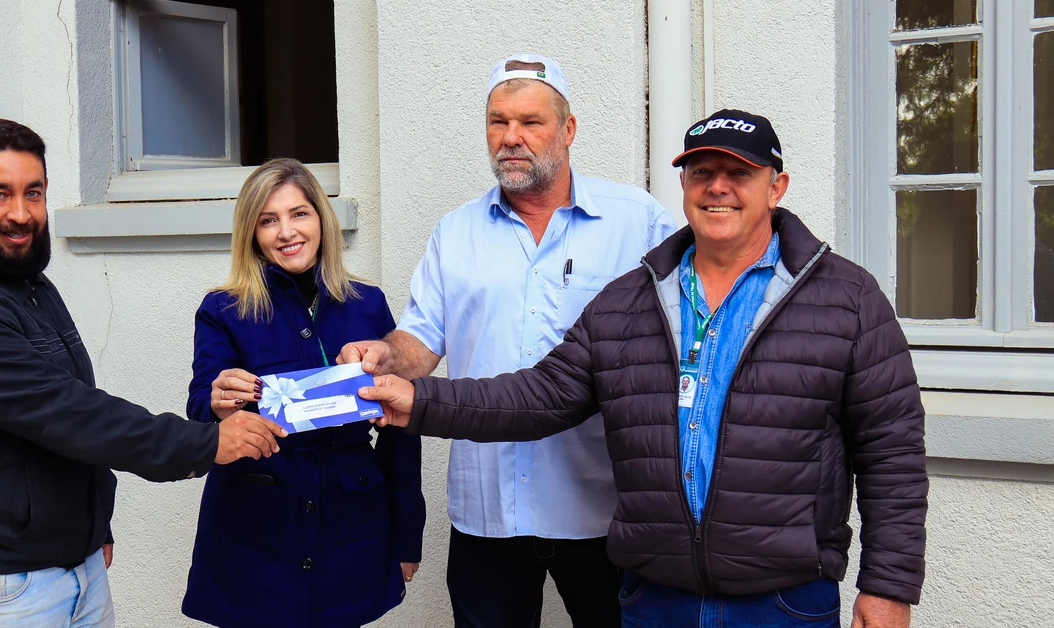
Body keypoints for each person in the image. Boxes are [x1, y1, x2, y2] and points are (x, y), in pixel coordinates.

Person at [363, 110, 929, 628]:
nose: (718, 187)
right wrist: (418, 401)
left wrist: (888, 587)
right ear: (684, 185)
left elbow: (892, 453)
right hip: (655, 601)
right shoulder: (630, 300)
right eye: (702, 172)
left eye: (740, 172)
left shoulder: (846, 298)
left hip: (784, 602)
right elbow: (539, 396)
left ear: (776, 186)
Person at [0, 119, 286, 628]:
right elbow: (71, 414)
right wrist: (208, 442)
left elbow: (71, 408)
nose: (20, 213)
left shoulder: (29, 286)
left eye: (32, 192)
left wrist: (93, 523)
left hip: (72, 572)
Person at [340, 53, 674, 627]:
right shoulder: (456, 231)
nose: (511, 137)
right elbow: (423, 336)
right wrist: (386, 355)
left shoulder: (637, 222)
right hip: (488, 508)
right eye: (498, 121)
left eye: (530, 122)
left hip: (602, 506)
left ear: (568, 129)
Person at [181, 158, 425, 628]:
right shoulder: (223, 309)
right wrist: (216, 401)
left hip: (350, 524)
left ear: (321, 219)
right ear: (251, 233)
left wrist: (407, 532)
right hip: (256, 529)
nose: (286, 231)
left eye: (299, 214)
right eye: (268, 220)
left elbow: (401, 431)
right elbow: (200, 408)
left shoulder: (367, 303)